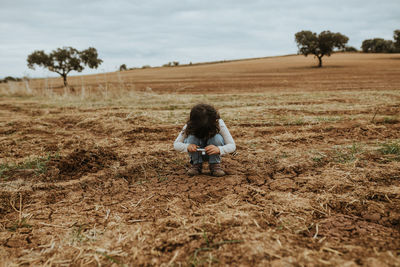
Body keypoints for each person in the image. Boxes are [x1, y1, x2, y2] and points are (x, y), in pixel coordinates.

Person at [173, 103, 236, 176]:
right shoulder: (189, 126)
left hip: (213, 153)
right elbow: (176, 144)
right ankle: (196, 165)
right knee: (191, 138)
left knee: (217, 137)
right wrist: (187, 147)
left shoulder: (219, 124)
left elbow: (232, 145)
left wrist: (219, 149)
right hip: (197, 153)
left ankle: (214, 165)